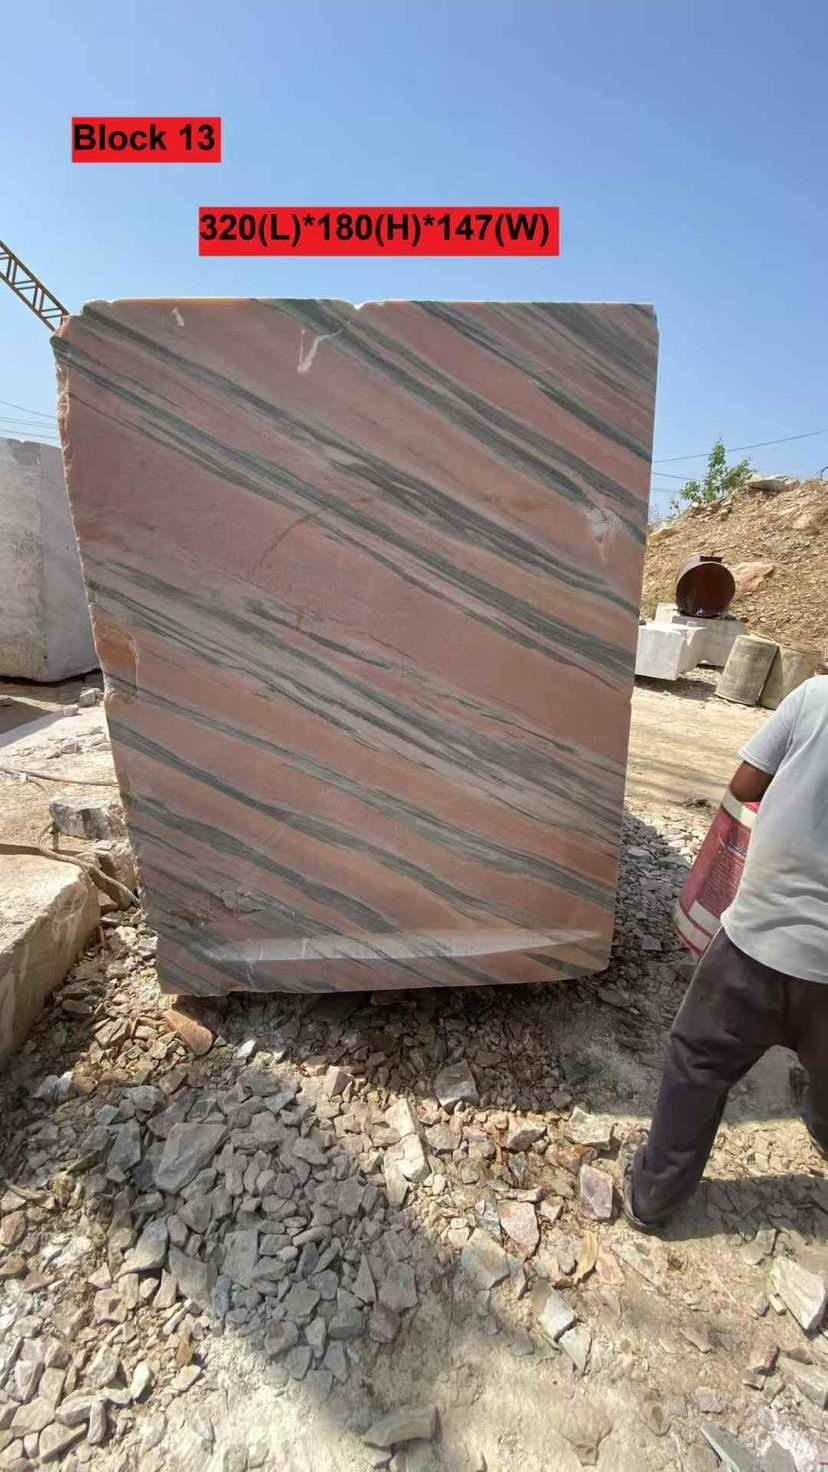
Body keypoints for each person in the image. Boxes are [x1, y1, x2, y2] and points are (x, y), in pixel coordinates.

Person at [624, 674, 828, 1230]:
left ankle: (654, 1197)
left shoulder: (815, 697)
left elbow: (745, 783)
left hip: (758, 943)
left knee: (698, 1062)